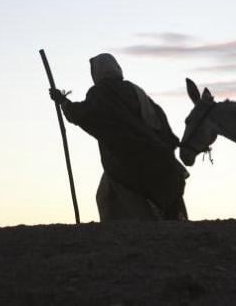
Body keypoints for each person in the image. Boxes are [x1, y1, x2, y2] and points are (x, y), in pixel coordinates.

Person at [49, 53, 187, 221]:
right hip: (153, 155)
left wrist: (63, 102)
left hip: (124, 160)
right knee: (104, 196)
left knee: (137, 207)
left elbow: (85, 114)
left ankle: (148, 230)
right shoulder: (135, 91)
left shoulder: (100, 93)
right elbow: (159, 120)